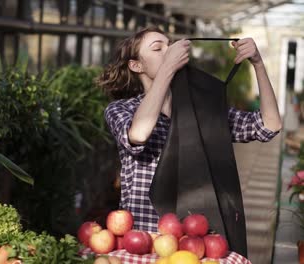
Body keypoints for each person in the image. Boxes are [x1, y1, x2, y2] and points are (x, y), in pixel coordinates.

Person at [97, 26, 282, 233]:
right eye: (158, 49)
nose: (169, 51)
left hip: (195, 233)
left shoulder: (201, 110)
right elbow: (139, 135)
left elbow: (269, 125)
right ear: (136, 65)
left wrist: (258, 64)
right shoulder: (121, 109)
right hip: (144, 234)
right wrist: (168, 68)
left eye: (170, 45)